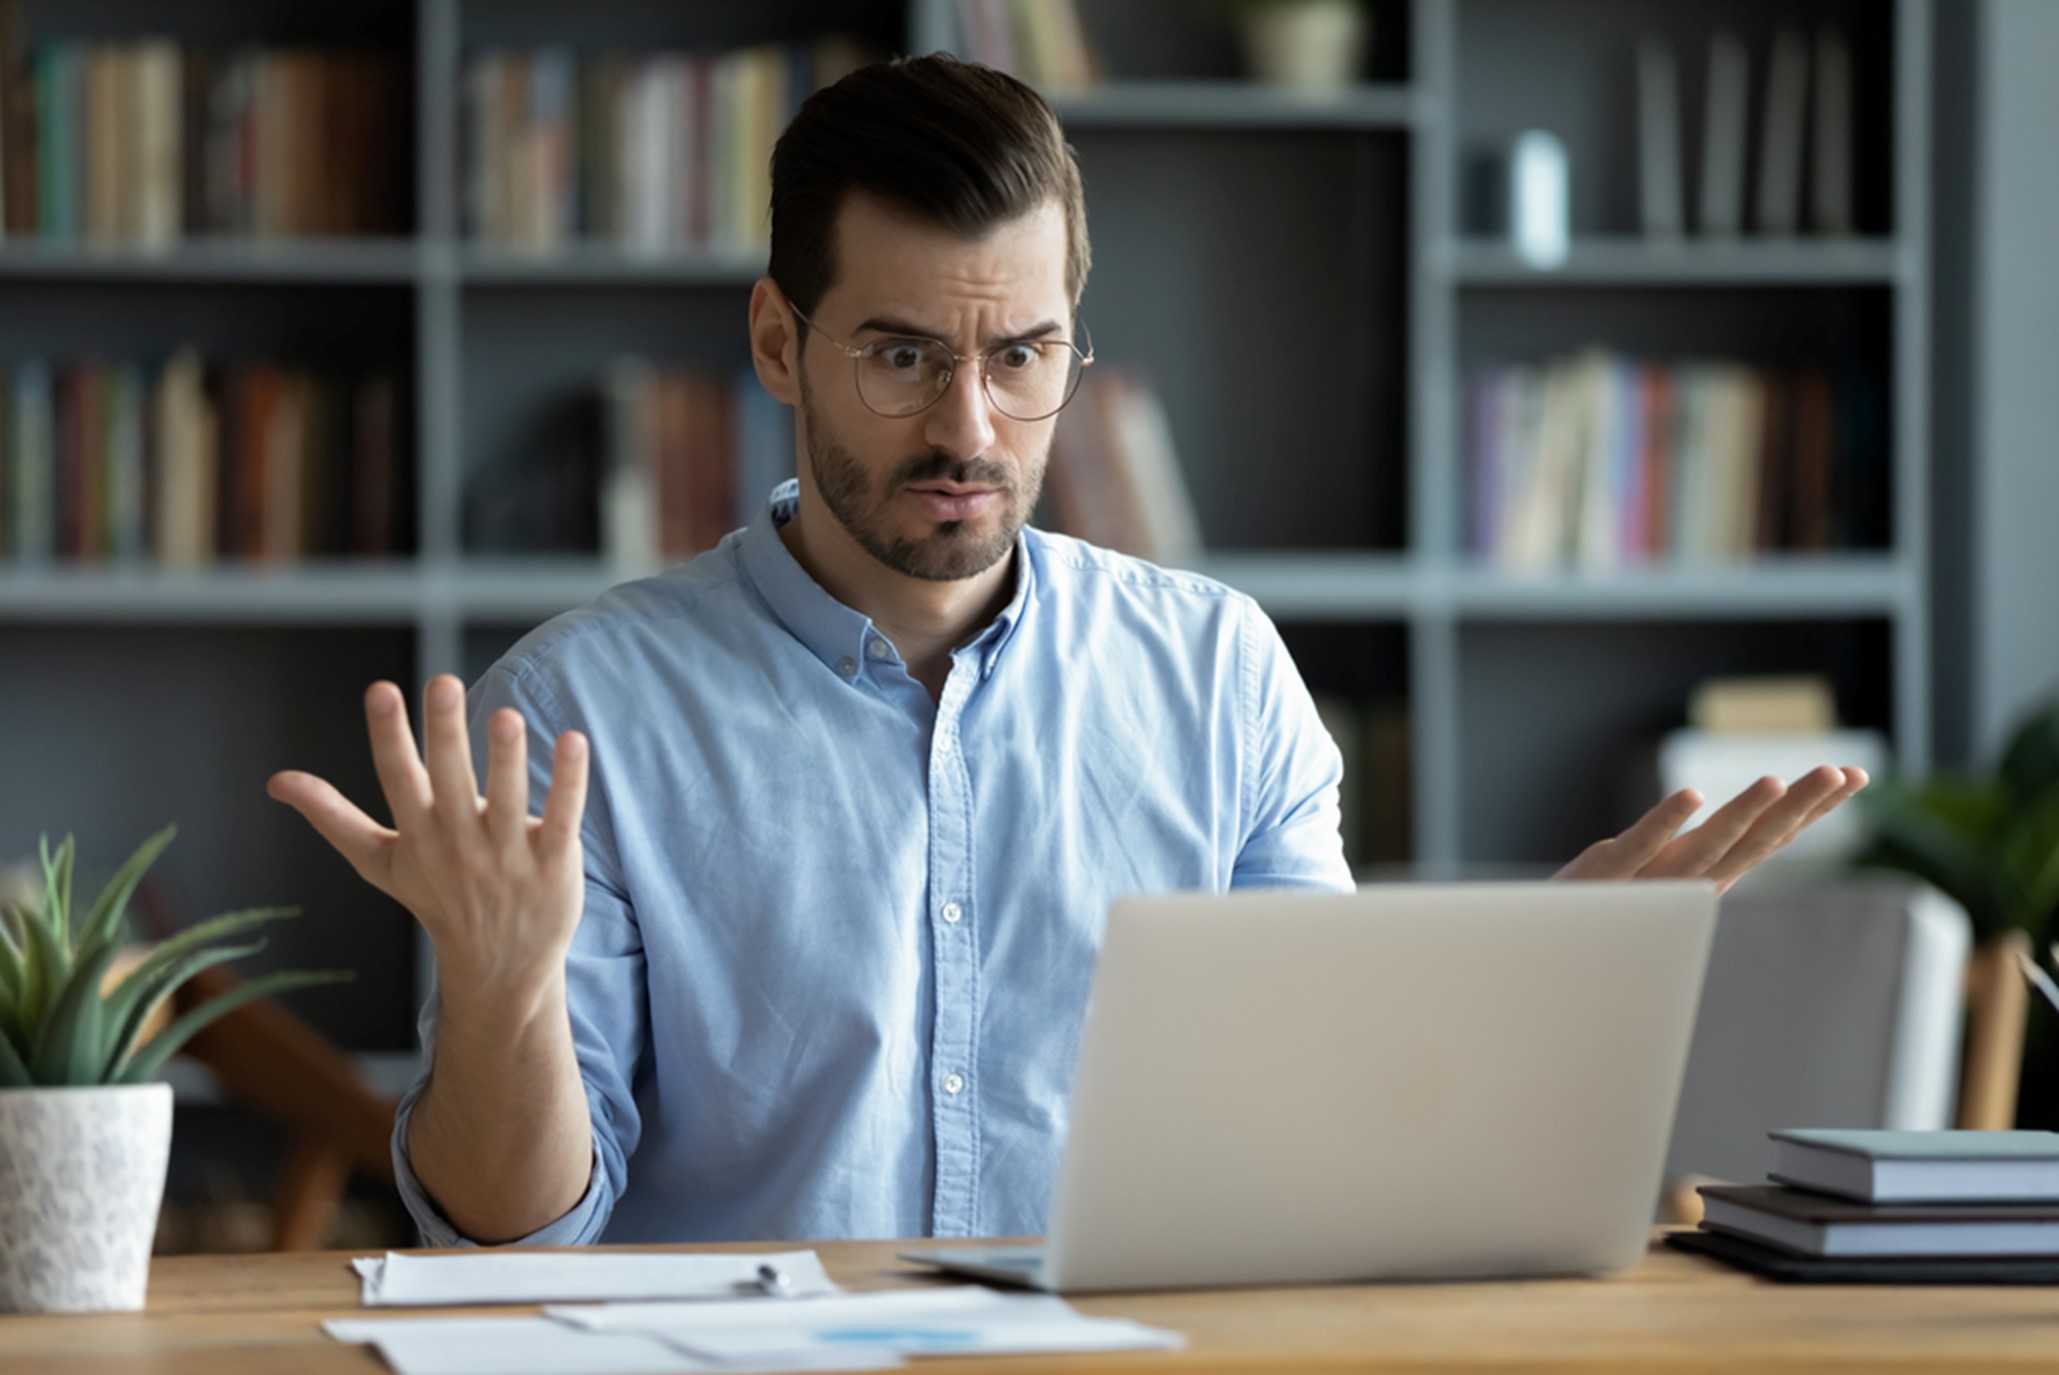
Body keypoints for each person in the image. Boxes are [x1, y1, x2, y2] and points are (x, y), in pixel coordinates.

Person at [266, 55, 1866, 1247]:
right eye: (900, 354)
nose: (970, 427)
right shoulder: (581, 715)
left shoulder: (1219, 674)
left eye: (1022, 356)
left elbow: (1314, 1146)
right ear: (778, 343)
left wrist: (1512, 998)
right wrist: (499, 993)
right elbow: (513, 1235)